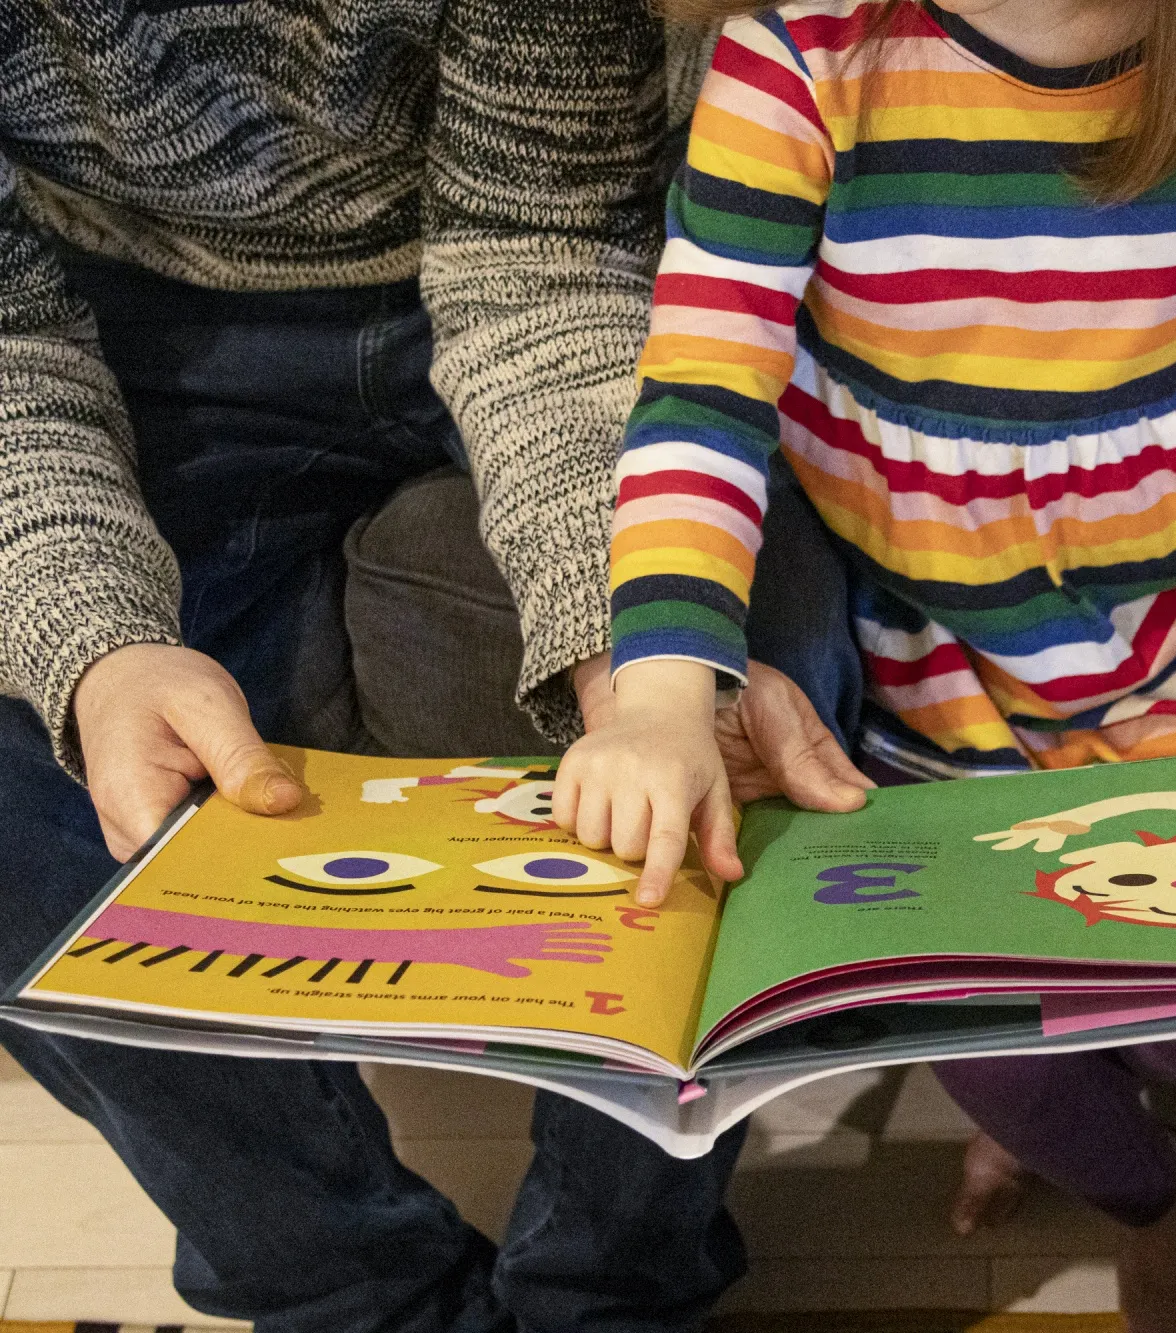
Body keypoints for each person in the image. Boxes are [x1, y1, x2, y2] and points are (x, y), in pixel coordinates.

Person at [554, 1, 1176, 1327]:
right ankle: (1136, 1194)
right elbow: (702, 392)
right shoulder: (802, 56)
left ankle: (1114, 1117)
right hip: (933, 639)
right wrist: (659, 690)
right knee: (987, 1039)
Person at [0, 3, 855, 1327]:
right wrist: (98, 646)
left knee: (766, 653)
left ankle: (610, 1291)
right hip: (98, 314)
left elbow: (543, 250)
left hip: (532, 260)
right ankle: (356, 1295)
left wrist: (631, 650)